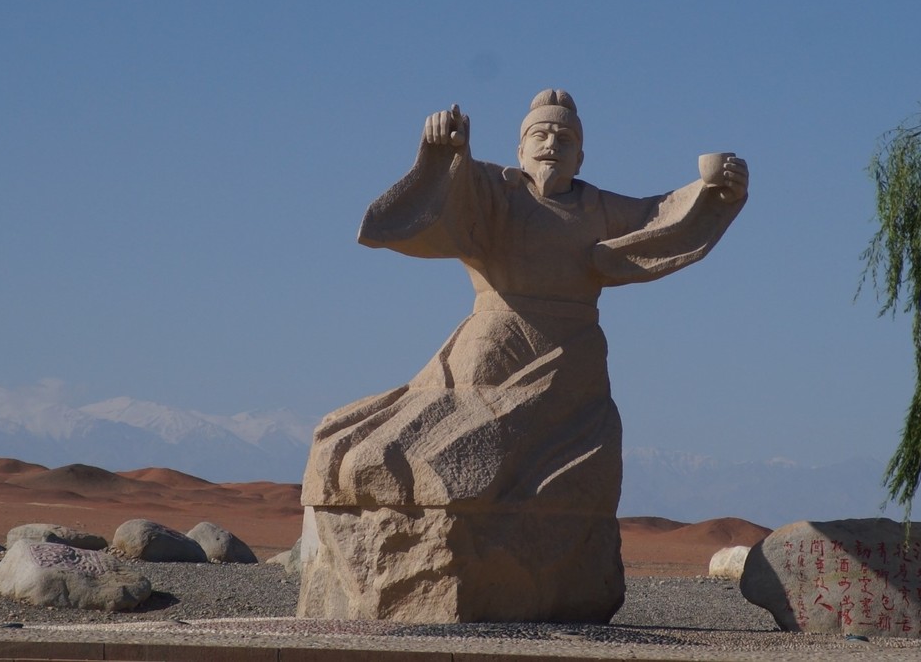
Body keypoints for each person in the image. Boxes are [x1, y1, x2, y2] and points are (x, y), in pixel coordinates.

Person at [298, 89, 748, 622]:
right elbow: (449, 196)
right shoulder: (498, 190)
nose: (552, 143)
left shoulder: (598, 207)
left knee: (454, 451)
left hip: (571, 354)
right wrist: (445, 151)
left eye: (565, 137)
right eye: (540, 134)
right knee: (363, 439)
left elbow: (661, 215)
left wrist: (717, 190)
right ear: (520, 148)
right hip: (489, 343)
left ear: (581, 156)